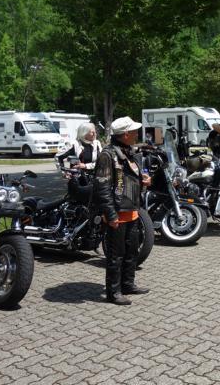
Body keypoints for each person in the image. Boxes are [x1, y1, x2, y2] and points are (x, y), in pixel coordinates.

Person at [94, 116, 151, 305]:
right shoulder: (107, 155)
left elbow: (129, 180)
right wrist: (110, 214)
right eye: (134, 131)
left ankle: (127, 284)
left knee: (132, 252)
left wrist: (143, 181)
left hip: (132, 212)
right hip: (117, 214)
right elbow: (102, 187)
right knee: (115, 255)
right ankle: (113, 292)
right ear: (125, 134)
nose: (137, 134)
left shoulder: (129, 152)